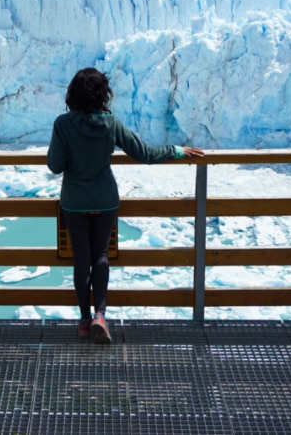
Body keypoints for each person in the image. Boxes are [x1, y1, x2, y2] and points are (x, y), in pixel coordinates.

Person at [47, 67, 204, 344]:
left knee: (82, 259)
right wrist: (178, 151)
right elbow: (143, 153)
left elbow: (55, 165)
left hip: (75, 202)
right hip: (105, 200)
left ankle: (84, 322)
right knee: (101, 256)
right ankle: (100, 315)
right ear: (102, 94)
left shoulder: (62, 124)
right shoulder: (111, 123)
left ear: (73, 93)